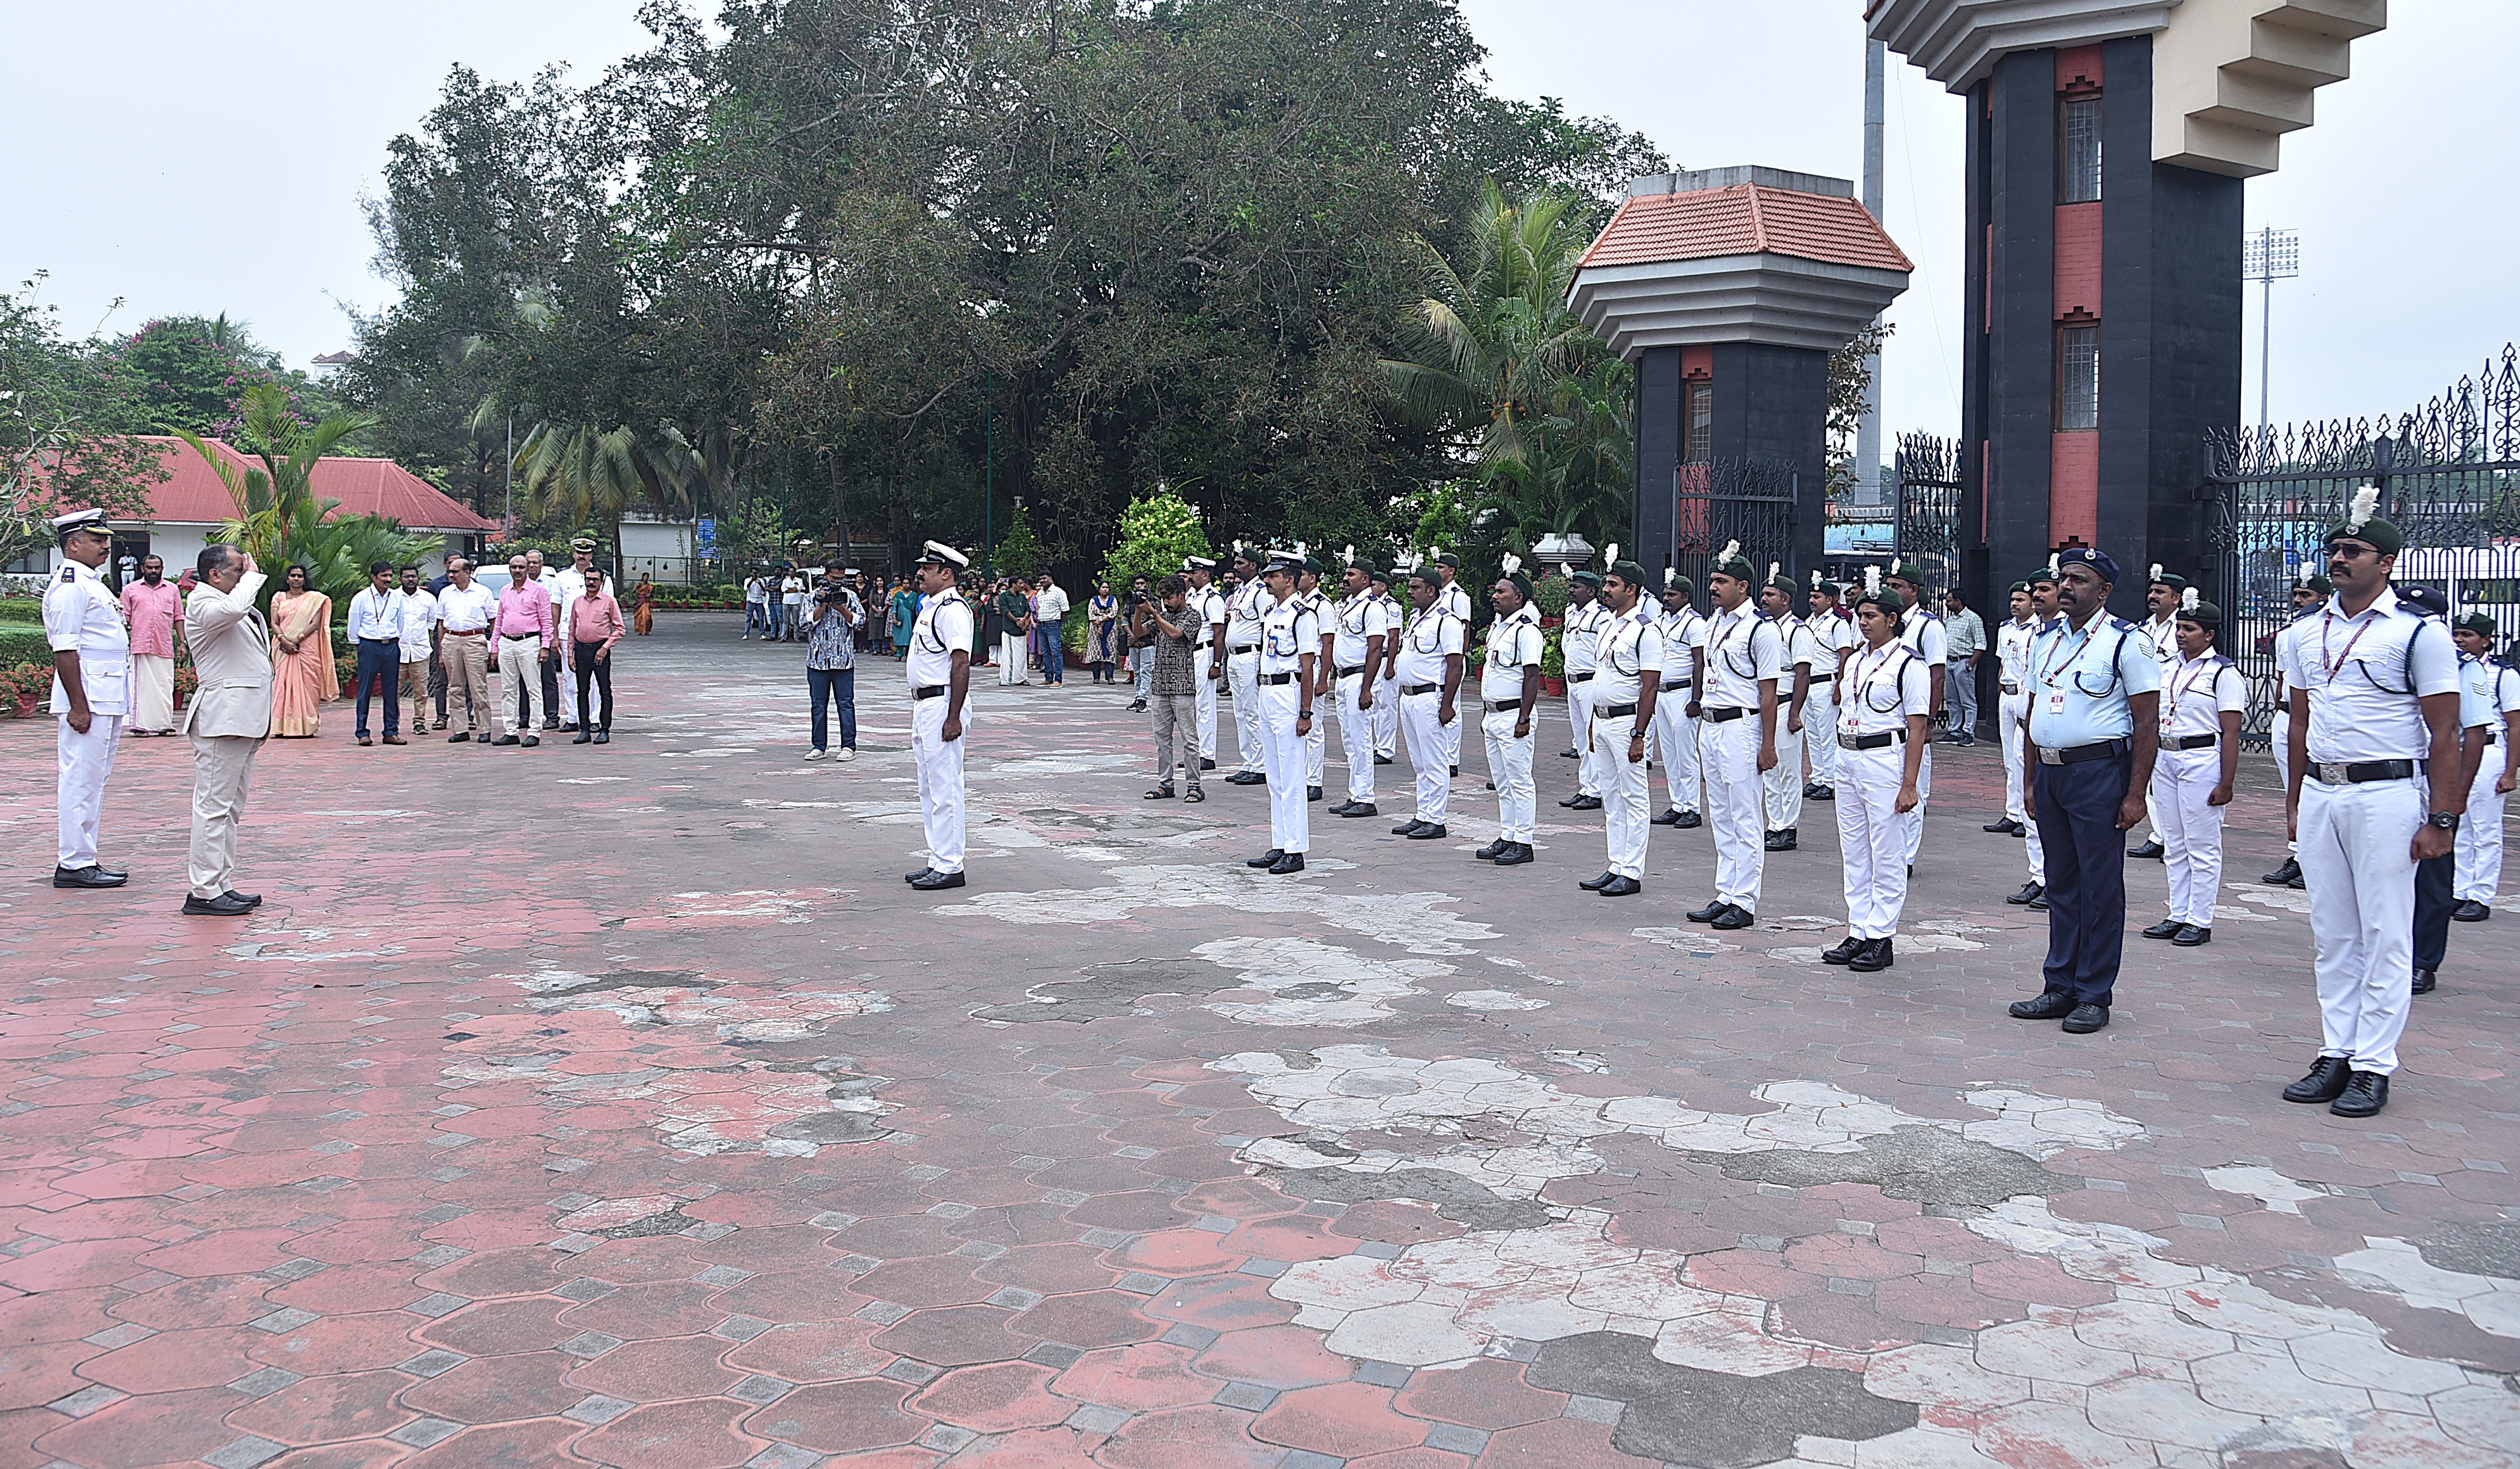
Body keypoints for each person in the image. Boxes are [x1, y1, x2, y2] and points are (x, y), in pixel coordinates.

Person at [2276, 493, 2461, 1117]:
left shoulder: (2418, 632)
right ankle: (2337, 1049)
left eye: (2352, 550)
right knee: (2332, 932)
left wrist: (2441, 818)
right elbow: (2298, 721)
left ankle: (2373, 1063)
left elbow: (2444, 731)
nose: (2338, 558)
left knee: (2383, 930)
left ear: (2385, 562)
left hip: (2386, 792)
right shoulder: (2305, 631)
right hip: (2323, 791)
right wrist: (2294, 800)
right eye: (2333, 548)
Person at [2008, 547, 2161, 1037]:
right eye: (2065, 578)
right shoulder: (2046, 639)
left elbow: (2147, 722)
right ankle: (2060, 984)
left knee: (2099, 886)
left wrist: (2136, 794)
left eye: (2079, 579)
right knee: (2061, 882)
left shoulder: (2126, 642)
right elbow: (2034, 712)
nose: (2068, 586)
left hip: (2098, 773)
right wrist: (2030, 780)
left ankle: (2094, 992)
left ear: (2105, 590)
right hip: (2051, 773)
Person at [1826, 572, 1931, 972]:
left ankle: (1881, 936)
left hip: (1885, 758)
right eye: (1860, 616)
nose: (1864, 622)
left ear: (1892, 618)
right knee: (1854, 850)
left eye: (1871, 616)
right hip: (1849, 756)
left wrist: (1910, 784)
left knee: (1886, 850)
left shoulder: (1909, 664)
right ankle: (1858, 928)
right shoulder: (1855, 660)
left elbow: (1917, 727)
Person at [1685, 543, 1783, 929]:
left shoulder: (1761, 628)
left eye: (1721, 581)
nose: (1713, 587)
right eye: (1712, 580)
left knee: (1745, 815)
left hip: (1741, 726)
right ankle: (1725, 891)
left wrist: (1768, 744)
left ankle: (1745, 899)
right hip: (1711, 725)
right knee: (1721, 814)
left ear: (1743, 586)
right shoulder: (1713, 623)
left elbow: (1769, 692)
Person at [2140, 590, 2243, 948]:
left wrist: (2226, 782)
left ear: (2209, 634)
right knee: (2174, 842)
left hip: (2201, 759)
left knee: (2202, 843)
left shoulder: (2223, 673)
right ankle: (2178, 913)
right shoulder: (2167, 667)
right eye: (2179, 628)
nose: (2181, 634)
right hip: (2166, 757)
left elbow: (2231, 732)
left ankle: (2200, 919)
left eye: (2190, 629)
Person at [178, 544, 271, 916]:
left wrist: (245, 579)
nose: (245, 576)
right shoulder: (203, 601)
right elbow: (232, 611)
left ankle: (220, 882)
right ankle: (203, 890)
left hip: (241, 717)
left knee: (229, 808)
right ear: (214, 574)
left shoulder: (227, 601)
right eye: (237, 571)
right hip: (223, 717)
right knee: (213, 807)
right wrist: (252, 579)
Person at [44, 509, 131, 889]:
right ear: (73, 544)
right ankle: (74, 862)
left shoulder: (91, 582)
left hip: (104, 695)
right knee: (80, 779)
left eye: (105, 539)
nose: (105, 546)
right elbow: (65, 650)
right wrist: (78, 707)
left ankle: (84, 856)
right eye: (97, 540)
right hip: (88, 699)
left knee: (94, 780)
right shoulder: (70, 586)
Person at [1580, 558, 1664, 897]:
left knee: (1634, 797)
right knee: (1611, 797)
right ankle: (1616, 864)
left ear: (1632, 589)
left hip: (1627, 722)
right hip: (1602, 720)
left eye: (1613, 585)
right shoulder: (1608, 626)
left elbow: (1650, 687)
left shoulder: (1646, 630)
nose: (1606, 590)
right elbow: (1601, 679)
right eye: (1607, 583)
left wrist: (1640, 735)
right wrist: (1592, 723)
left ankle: (1632, 870)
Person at [1243, 553, 1322, 874]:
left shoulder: (1302, 615)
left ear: (1289, 579)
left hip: (1289, 693)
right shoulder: (1272, 612)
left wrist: (1306, 712)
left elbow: (1308, 666)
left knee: (1292, 777)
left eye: (1273, 576)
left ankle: (1296, 849)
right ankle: (1281, 843)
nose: (1267, 580)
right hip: (1267, 692)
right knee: (1275, 777)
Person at [905, 542, 976, 891]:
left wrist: (954, 716)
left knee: (946, 787)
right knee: (929, 788)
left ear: (946, 573)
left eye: (928, 569)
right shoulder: (931, 606)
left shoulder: (953, 610)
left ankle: (951, 865)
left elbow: (960, 663)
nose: (920, 573)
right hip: (926, 704)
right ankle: (938, 858)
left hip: (943, 703)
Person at [2260, 572, 2332, 889]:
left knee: (2314, 787)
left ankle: (2313, 858)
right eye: (2297, 594)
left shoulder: (2326, 633)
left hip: (2314, 717)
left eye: (2307, 595)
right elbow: (2283, 677)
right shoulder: (2290, 633)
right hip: (2288, 715)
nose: (2299, 600)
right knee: (2293, 785)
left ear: (2324, 599)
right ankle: (2299, 853)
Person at [1389, 563, 1465, 845]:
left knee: (1435, 761)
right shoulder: (1416, 618)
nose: (1409, 592)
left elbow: (1455, 666)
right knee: (1420, 762)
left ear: (1431, 591)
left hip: (1429, 697)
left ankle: (1436, 819)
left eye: (1415, 588)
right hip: (1409, 698)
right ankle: (1423, 814)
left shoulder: (1447, 621)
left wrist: (1447, 705)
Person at [2452, 614, 2519, 923]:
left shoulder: (2503, 675)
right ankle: (2460, 890)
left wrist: (2510, 771)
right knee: (2459, 824)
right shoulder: (2450, 668)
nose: (2460, 640)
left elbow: (2515, 725)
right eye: (2457, 634)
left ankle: (2481, 895)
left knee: (2486, 828)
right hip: (2456, 751)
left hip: (2489, 750)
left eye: (2468, 635)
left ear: (2486, 640)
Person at [1479, 559, 1544, 866]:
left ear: (1518, 598)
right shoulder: (1498, 629)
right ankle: (1508, 835)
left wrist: (1524, 718)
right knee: (1502, 781)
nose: (1495, 596)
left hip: (1514, 715)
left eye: (1501, 592)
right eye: (1495, 591)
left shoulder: (1526, 632)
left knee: (1520, 781)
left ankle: (1524, 841)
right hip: (1494, 715)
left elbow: (1532, 677)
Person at [1883, 561, 1947, 868]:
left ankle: (1906, 857)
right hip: (1886, 718)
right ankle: (1891, 852)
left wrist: (1930, 720)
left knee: (1914, 786)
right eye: (1889, 585)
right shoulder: (1884, 619)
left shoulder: (1928, 626)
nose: (1891, 590)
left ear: (1914, 590)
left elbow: (1937, 675)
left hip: (1915, 717)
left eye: (1897, 586)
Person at [1327, 552, 1392, 819]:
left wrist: (1367, 688)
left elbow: (1375, 648)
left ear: (1365, 579)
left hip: (1358, 678)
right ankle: (1356, 794)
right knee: (1349, 740)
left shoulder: (1372, 608)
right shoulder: (1350, 605)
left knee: (1361, 739)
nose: (1346, 578)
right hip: (1344, 678)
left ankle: (1365, 798)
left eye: (1351, 575)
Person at [2127, 566, 2187, 858]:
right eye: (2152, 591)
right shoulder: (2142, 629)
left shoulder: (2184, 628)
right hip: (2148, 707)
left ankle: (2175, 839)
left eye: (2160, 592)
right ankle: (2159, 835)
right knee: (2151, 774)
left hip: (2175, 708)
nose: (2153, 596)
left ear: (2176, 598)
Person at [1759, 567, 1816, 852]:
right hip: (1767, 705)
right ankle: (1774, 823)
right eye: (1764, 593)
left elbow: (1802, 674)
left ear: (1786, 599)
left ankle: (1788, 827)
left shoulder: (1798, 630)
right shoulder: (1763, 627)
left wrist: (1795, 713)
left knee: (1788, 769)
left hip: (1786, 703)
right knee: (1769, 767)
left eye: (1771, 594)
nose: (1764, 599)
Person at [1138, 574, 1207, 802]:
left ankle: (1194, 785)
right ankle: (1165, 783)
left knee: (1189, 738)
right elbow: (1139, 633)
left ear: (1182, 595)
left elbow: (1175, 634)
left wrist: (1154, 614)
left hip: (1183, 684)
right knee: (1162, 739)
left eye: (1170, 598)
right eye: (1163, 598)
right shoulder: (1163, 616)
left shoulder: (1192, 615)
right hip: (1160, 684)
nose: (1166, 602)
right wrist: (1139, 610)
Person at [1651, 571, 1705, 828]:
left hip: (1683, 693)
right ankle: (1678, 804)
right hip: (1662, 694)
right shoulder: (1661, 621)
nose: (1667, 598)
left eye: (1672, 594)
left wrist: (1696, 699)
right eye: (1665, 594)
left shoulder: (1695, 623)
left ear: (1685, 596)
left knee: (1686, 753)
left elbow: (1700, 662)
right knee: (1669, 753)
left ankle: (1693, 808)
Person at [1987, 581, 2038, 839]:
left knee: (2023, 758)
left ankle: (2026, 814)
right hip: (2006, 695)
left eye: (2021, 600)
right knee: (2009, 758)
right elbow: (2002, 663)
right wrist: (1999, 691)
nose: (2015, 604)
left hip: (2024, 695)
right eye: (2013, 600)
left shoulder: (2038, 630)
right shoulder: (2005, 628)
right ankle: (2012, 812)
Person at [1558, 569, 1610, 812]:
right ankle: (1586, 787)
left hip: (1590, 681)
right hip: (1573, 682)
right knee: (1580, 740)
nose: (1571, 590)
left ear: (1591, 591)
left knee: (1592, 740)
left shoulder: (1601, 616)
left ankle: (1596, 791)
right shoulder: (1572, 613)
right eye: (1572, 586)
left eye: (1576, 587)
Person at [801, 559, 861, 761]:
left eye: (841, 578)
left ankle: (848, 746)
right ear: (826, 576)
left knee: (846, 704)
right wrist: (822, 605)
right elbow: (803, 624)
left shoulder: (850, 596)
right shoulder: (812, 597)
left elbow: (861, 622)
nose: (838, 582)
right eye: (834, 578)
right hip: (818, 661)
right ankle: (819, 746)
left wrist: (842, 609)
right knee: (818, 706)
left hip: (843, 661)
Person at [344, 561, 409, 747]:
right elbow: (354, 624)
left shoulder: (396, 598)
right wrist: (359, 645)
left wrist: (394, 639)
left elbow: (400, 622)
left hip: (391, 645)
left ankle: (391, 731)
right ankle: (362, 732)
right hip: (369, 646)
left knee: (391, 690)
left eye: (390, 575)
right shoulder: (361, 598)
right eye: (384, 576)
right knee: (365, 690)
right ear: (374, 577)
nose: (388, 579)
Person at [493, 553, 556, 747]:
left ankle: (534, 731)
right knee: (508, 689)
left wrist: (545, 646)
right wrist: (495, 646)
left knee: (533, 688)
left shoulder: (539, 591)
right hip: (507, 642)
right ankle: (510, 731)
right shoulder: (505, 591)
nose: (518, 571)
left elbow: (546, 620)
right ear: (510, 569)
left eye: (521, 567)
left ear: (528, 568)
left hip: (529, 642)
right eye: (514, 567)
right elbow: (499, 619)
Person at [435, 556, 499, 743]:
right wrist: (441, 651)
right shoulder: (445, 593)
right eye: (450, 572)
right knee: (455, 687)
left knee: (478, 686)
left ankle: (484, 729)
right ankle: (460, 729)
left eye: (455, 572)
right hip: (451, 639)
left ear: (467, 572)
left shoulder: (482, 592)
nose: (451, 575)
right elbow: (441, 623)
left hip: (474, 639)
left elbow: (494, 621)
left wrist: (494, 646)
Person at [268, 565, 335, 738]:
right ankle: (282, 727)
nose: (296, 579)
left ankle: (307, 727)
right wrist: (284, 640)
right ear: (287, 578)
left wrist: (296, 640)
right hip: (282, 647)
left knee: (308, 685)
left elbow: (315, 624)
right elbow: (274, 623)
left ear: (305, 580)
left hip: (306, 647)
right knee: (283, 685)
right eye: (293, 576)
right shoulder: (279, 597)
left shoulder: (314, 599)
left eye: (300, 576)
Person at [119, 554, 182, 736]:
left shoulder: (172, 590)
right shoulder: (130, 590)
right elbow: (123, 620)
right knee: (141, 688)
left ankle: (164, 725)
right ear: (142, 569)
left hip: (164, 646)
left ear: (162, 569)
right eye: (150, 567)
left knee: (165, 686)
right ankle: (141, 726)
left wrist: (182, 643)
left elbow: (179, 617)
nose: (153, 571)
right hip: (140, 645)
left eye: (157, 568)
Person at [1223, 544, 1271, 783]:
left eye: (1240, 563)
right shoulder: (1242, 591)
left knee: (1252, 712)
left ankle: (1260, 766)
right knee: (1241, 713)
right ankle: (1249, 762)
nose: (1236, 567)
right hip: (1235, 657)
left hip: (1250, 656)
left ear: (1253, 566)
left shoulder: (1260, 592)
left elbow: (1266, 626)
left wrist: (1263, 663)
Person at [1802, 574, 1851, 804]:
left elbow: (1845, 656)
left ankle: (1831, 782)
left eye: (1818, 597)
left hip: (1826, 683)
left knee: (1827, 735)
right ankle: (1818, 777)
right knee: (1812, 734)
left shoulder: (1837, 623)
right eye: (1811, 596)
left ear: (1830, 600)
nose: (1813, 601)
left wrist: (1839, 687)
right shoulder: (1809, 622)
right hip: (1809, 684)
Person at [569, 565, 624, 745]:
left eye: (595, 579)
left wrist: (605, 647)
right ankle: (584, 730)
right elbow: (572, 629)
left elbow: (620, 629)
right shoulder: (578, 602)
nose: (591, 582)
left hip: (600, 649)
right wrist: (570, 654)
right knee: (582, 691)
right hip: (581, 650)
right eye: (588, 579)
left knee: (604, 690)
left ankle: (604, 730)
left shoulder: (609, 602)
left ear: (602, 582)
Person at [1185, 555, 1226, 770]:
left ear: (1206, 575)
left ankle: (1207, 754)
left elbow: (1219, 632)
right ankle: (1195, 752)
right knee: (1191, 705)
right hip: (1190, 653)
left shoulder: (1212, 598)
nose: (1190, 577)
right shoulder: (1192, 597)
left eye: (1194, 573)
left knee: (1205, 706)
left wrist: (1217, 664)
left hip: (1205, 652)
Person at [1941, 586, 1986, 746]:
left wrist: (1970, 664)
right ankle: (1954, 731)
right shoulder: (1951, 620)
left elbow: (1981, 644)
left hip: (1963, 661)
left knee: (1968, 700)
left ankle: (1968, 733)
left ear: (1958, 602)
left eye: (1949, 601)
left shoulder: (1973, 619)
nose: (1946, 604)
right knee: (1952, 700)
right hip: (1950, 661)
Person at [1368, 565, 1402, 765]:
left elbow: (1394, 636)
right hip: (1375, 660)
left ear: (1383, 586)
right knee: (1375, 705)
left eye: (1373, 585)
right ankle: (1378, 744)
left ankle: (1386, 750)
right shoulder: (1373, 605)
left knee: (1387, 705)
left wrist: (1390, 666)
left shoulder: (1391, 606)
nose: (1370, 588)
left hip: (1387, 658)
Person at [397, 563, 438, 719]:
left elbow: (432, 623)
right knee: (394, 691)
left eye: (413, 576)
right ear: (400, 579)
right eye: (407, 576)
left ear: (418, 578)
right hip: (397, 652)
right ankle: (393, 723)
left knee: (421, 691)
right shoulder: (393, 597)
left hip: (420, 652)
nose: (410, 579)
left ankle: (419, 721)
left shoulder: (428, 598)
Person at [994, 574, 1032, 686]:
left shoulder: (1022, 596)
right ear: (1014, 585)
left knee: (1022, 656)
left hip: (1021, 630)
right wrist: (1017, 621)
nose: (1023, 585)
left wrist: (1024, 619)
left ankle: (1022, 678)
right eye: (1020, 583)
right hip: (1010, 630)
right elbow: (1005, 611)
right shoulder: (1004, 596)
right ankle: (1009, 679)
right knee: (1010, 656)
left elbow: (1027, 609)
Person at [1126, 573, 1155, 710]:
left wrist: (1139, 635)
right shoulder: (1130, 601)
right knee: (1136, 671)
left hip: (1148, 641)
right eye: (1137, 584)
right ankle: (1138, 696)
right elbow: (1124, 619)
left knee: (1146, 671)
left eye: (1142, 583)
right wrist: (1132, 635)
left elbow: (1156, 620)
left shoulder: (1153, 601)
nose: (1140, 586)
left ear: (1147, 584)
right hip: (1132, 641)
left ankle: (1143, 698)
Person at [1035, 574, 1070, 685]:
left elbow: (1065, 610)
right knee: (1045, 653)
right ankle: (1048, 678)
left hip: (1053, 624)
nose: (1042, 581)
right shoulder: (1040, 593)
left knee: (1056, 652)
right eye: (1040, 579)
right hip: (1041, 625)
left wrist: (1059, 624)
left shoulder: (1059, 592)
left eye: (1044, 578)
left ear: (1051, 579)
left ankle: (1058, 679)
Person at [1086, 581, 1122, 682]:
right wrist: (1098, 625)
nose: (1105, 589)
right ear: (1099, 589)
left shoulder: (1113, 600)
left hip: (1110, 627)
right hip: (1095, 628)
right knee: (1096, 650)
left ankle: (1110, 677)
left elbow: (1113, 613)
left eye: (1107, 587)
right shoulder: (1094, 600)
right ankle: (1096, 678)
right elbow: (1091, 614)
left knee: (1110, 649)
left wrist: (1101, 620)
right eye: (1103, 587)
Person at [890, 575, 921, 662]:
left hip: (910, 619)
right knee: (899, 637)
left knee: (909, 637)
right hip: (900, 619)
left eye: (907, 583)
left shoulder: (914, 595)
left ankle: (908, 655)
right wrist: (894, 617)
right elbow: (895, 607)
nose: (906, 585)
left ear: (910, 585)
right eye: (904, 583)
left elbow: (914, 607)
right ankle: (898, 655)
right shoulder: (898, 595)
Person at [780, 564, 809, 643]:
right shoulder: (785, 581)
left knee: (795, 621)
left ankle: (796, 637)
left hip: (795, 602)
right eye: (790, 572)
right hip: (786, 602)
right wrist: (793, 589)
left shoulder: (799, 580)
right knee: (786, 621)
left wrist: (789, 589)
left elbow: (798, 589)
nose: (791, 573)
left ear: (795, 572)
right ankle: (784, 637)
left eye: (793, 571)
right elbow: (783, 590)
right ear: (788, 573)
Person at [744, 569, 771, 639]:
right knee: (748, 618)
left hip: (759, 601)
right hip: (751, 601)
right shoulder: (747, 580)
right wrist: (752, 581)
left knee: (761, 618)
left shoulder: (761, 581)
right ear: (750, 573)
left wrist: (760, 584)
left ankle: (762, 634)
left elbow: (764, 591)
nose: (755, 575)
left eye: (756, 573)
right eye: (753, 573)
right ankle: (746, 634)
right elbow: (746, 588)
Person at [633, 571, 655, 636]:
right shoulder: (639, 584)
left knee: (647, 616)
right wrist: (635, 588)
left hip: (646, 602)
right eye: (645, 576)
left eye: (648, 576)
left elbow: (652, 595)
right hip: (640, 601)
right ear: (643, 577)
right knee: (639, 616)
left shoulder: (649, 586)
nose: (646, 578)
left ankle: (646, 631)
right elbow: (633, 591)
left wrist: (650, 595)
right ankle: (640, 630)